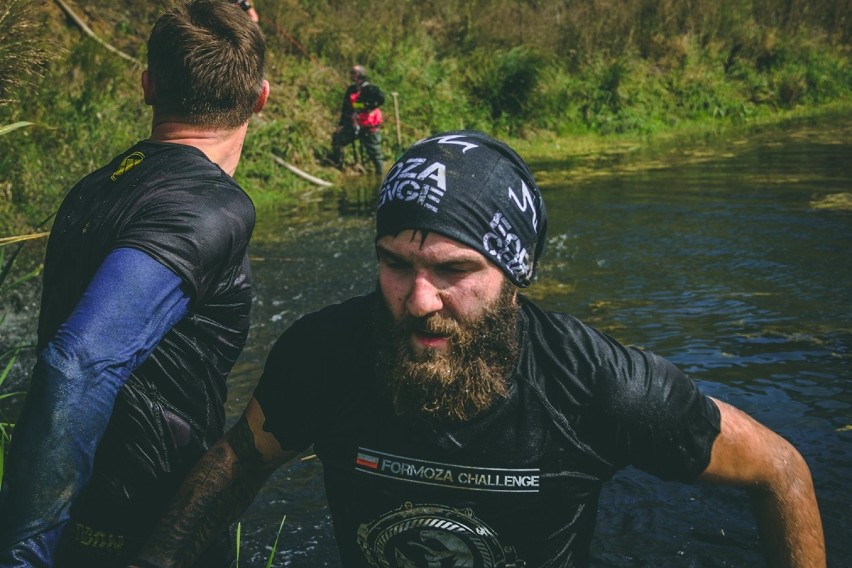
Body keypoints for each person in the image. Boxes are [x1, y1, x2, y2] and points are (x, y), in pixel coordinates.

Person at [132, 131, 825, 568]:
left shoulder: (597, 386)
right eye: (396, 263)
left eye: (455, 270)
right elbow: (239, 460)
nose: (419, 299)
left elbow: (782, 470)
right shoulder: (328, 352)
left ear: (516, 275)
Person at [0, 1, 268, 567]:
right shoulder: (209, 208)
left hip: (86, 524)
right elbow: (78, 364)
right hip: (148, 532)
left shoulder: (94, 188)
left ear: (147, 85)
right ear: (261, 97)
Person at [329, 64, 386, 175]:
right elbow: (346, 108)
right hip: (354, 126)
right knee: (337, 139)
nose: (351, 75)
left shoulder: (371, 89)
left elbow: (380, 99)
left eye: (353, 73)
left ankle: (382, 177)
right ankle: (338, 166)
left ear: (360, 75)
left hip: (369, 127)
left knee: (375, 153)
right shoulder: (351, 90)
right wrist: (341, 124)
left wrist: (366, 106)